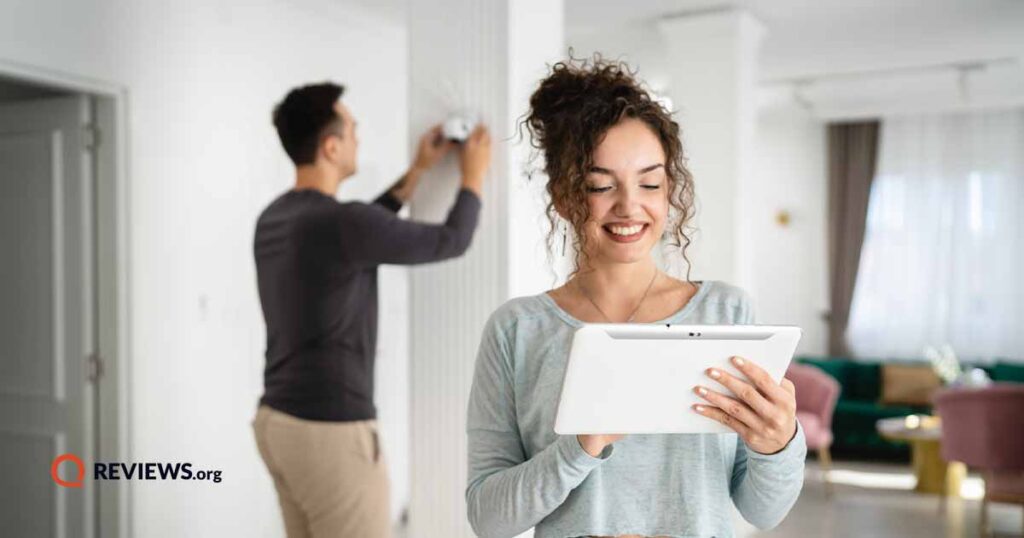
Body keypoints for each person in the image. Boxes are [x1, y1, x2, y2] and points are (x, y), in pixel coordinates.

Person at [465, 59, 805, 538]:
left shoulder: (726, 314)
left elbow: (762, 511)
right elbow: (488, 518)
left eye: (650, 183)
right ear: (564, 196)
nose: (629, 206)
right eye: (600, 185)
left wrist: (779, 443)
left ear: (670, 191)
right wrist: (581, 445)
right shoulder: (517, 329)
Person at [253, 81, 490, 538]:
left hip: (277, 425)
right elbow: (450, 240)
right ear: (331, 146)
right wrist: (473, 177)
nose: (359, 139)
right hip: (330, 434)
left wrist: (419, 170)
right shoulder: (343, 225)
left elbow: (364, 227)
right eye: (354, 130)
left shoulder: (279, 217)